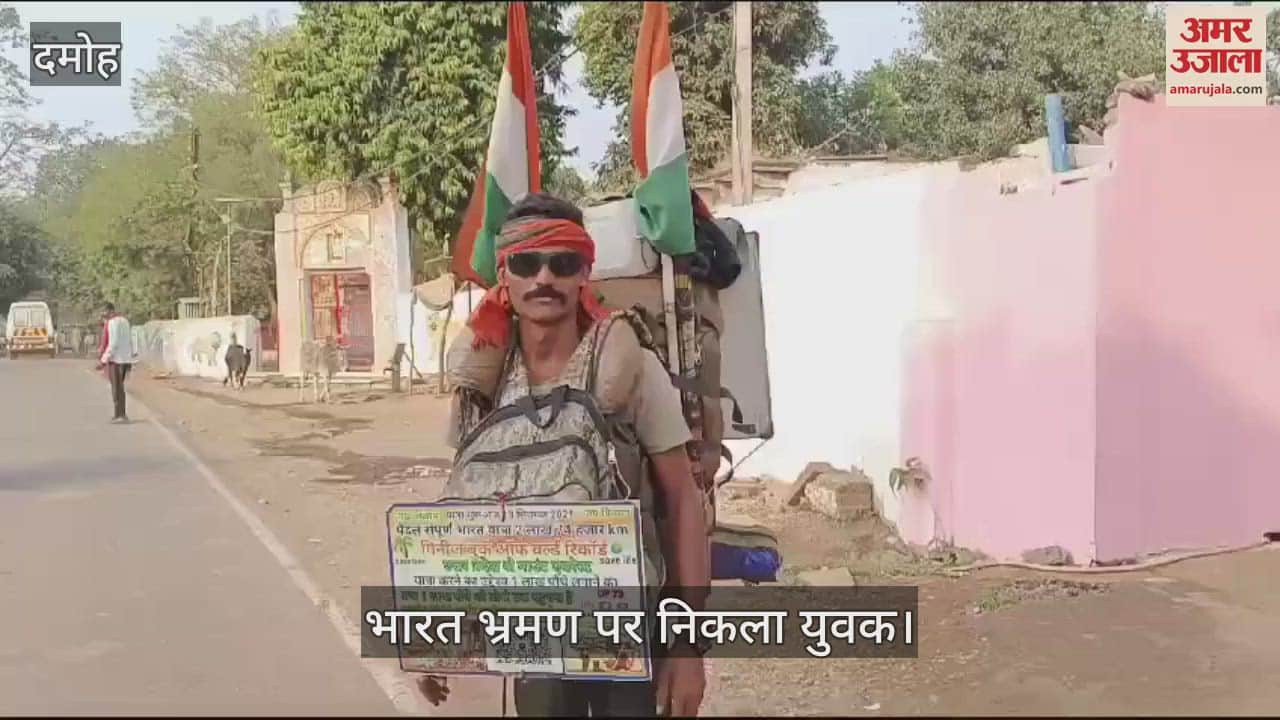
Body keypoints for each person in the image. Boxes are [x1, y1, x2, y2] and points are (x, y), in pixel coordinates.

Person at [422, 193, 710, 717]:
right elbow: (465, 515)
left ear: (584, 272)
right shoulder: (483, 383)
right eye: (527, 264)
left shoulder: (627, 366)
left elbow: (684, 501)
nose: (544, 279)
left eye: (562, 262)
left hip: (627, 633)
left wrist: (687, 645)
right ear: (504, 277)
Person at [96, 302, 135, 423]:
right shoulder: (125, 321)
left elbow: (113, 343)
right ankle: (120, 414)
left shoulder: (112, 323)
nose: (103, 315)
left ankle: (120, 415)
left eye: (104, 312)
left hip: (116, 360)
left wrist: (103, 360)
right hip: (125, 359)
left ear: (109, 311)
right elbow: (129, 340)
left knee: (116, 388)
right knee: (120, 387)